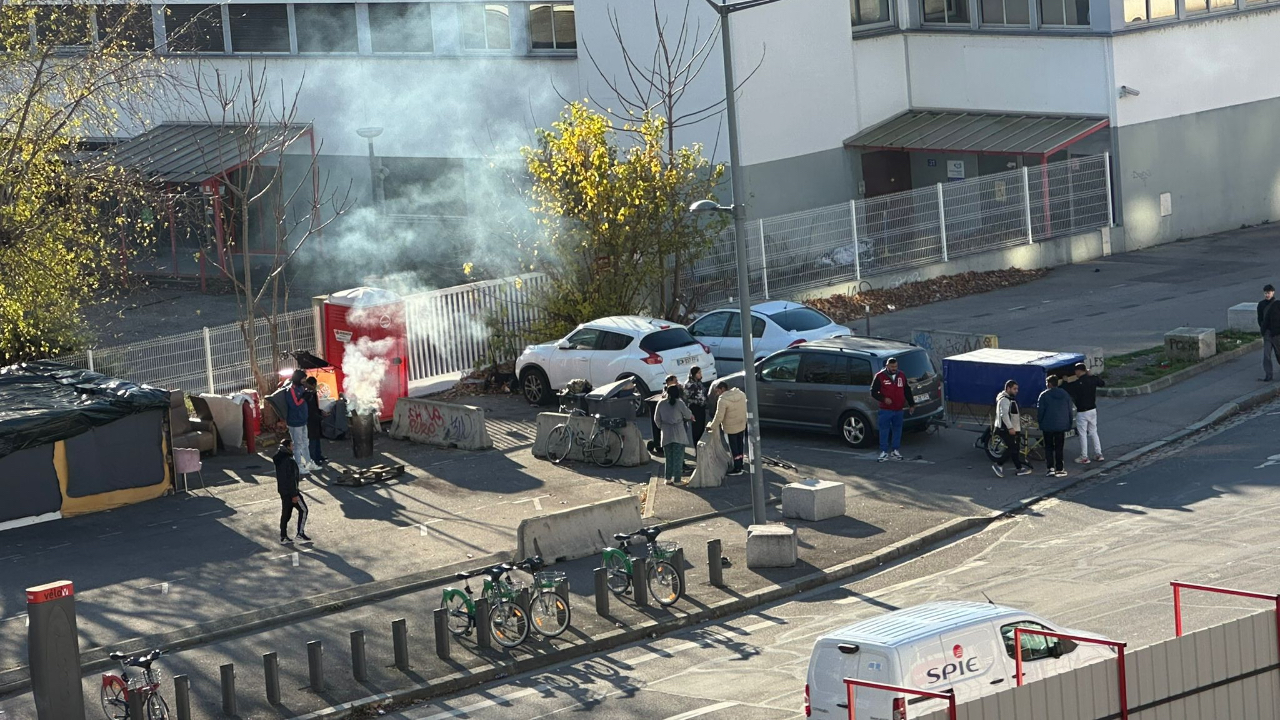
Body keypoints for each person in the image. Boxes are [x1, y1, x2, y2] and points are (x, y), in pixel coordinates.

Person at [870, 357, 915, 462]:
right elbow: (873, 391)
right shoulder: (880, 376)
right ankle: (884, 452)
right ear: (887, 366)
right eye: (892, 367)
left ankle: (895, 450)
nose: (894, 368)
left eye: (896, 366)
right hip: (886, 409)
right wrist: (883, 399)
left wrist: (911, 404)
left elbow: (906, 390)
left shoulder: (901, 375)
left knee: (897, 429)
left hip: (899, 408)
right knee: (884, 429)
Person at [1064, 362, 1106, 464]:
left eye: (1076, 371)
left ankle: (1084, 456)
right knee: (1093, 432)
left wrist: (1065, 381)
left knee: (1082, 434)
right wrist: (1092, 375)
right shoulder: (1092, 380)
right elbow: (1102, 383)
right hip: (1092, 410)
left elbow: (1067, 389)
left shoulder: (1077, 383)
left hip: (1082, 411)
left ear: (1078, 371)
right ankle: (1098, 454)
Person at [992, 379, 1033, 477]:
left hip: (1012, 428)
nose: (1016, 391)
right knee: (1012, 448)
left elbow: (1012, 413)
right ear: (1008, 388)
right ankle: (999, 464)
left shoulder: (1009, 399)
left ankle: (1019, 468)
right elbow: (1004, 415)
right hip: (1006, 429)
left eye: (1017, 389)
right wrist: (1010, 428)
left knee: (1015, 448)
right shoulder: (1004, 400)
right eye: (1014, 389)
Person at [654, 384, 693, 485]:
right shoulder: (679, 403)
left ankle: (667, 478)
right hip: (678, 432)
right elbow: (688, 414)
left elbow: (656, 419)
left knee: (669, 457)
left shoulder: (661, 403)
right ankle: (677, 480)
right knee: (678, 458)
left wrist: (662, 426)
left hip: (666, 433)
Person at [274, 435, 310, 543]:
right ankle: (300, 533)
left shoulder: (279, 459)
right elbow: (291, 479)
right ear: (288, 447)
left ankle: (283, 535)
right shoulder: (289, 461)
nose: (293, 447)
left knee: (286, 513)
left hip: (283, 491)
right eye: (291, 445)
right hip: (291, 492)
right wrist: (294, 494)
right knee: (304, 510)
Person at [706, 382, 748, 475]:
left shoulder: (723, 400)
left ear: (722, 389)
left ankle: (737, 468)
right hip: (741, 425)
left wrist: (711, 426)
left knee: (733, 448)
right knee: (740, 445)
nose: (717, 394)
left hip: (730, 427)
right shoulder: (741, 394)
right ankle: (740, 464)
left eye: (717, 391)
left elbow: (719, 417)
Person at [1037, 375, 1073, 478]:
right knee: (1059, 447)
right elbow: (1069, 410)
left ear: (1049, 384)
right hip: (1061, 425)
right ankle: (1060, 468)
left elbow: (1040, 411)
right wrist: (1069, 423)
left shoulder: (1044, 395)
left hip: (1047, 425)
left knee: (1048, 447)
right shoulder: (1065, 394)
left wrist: (1040, 422)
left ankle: (1050, 468)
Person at [283, 369, 317, 476]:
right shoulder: (291, 390)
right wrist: (304, 398)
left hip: (303, 420)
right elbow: (295, 404)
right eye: (303, 378)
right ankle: (298, 465)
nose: (304, 381)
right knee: (297, 445)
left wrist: (307, 395)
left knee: (305, 442)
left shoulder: (301, 387)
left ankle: (308, 462)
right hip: (294, 421)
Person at [647, 375, 681, 457]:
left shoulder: (678, 390)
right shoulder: (667, 394)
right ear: (669, 382)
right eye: (675, 381)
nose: (677, 383)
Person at [304, 377, 328, 466]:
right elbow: (310, 409)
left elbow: (315, 407)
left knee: (317, 438)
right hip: (310, 420)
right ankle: (313, 459)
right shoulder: (307, 395)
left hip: (316, 418)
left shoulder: (313, 394)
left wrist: (321, 412)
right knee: (312, 439)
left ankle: (318, 455)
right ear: (312, 385)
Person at [684, 367, 708, 446]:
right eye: (698, 373)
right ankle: (697, 447)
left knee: (701, 428)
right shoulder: (689, 384)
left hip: (702, 407)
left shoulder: (699, 382)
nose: (700, 374)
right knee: (696, 429)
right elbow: (686, 397)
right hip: (695, 407)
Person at [1261, 284, 1280, 381]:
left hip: (1277, 334)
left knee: (1279, 354)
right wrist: (1263, 330)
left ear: (1273, 293)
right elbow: (1260, 319)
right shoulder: (1261, 305)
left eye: (1268, 293)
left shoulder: (1277, 304)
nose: (1267, 295)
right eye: (1265, 293)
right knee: (1266, 354)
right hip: (1267, 333)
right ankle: (1268, 375)